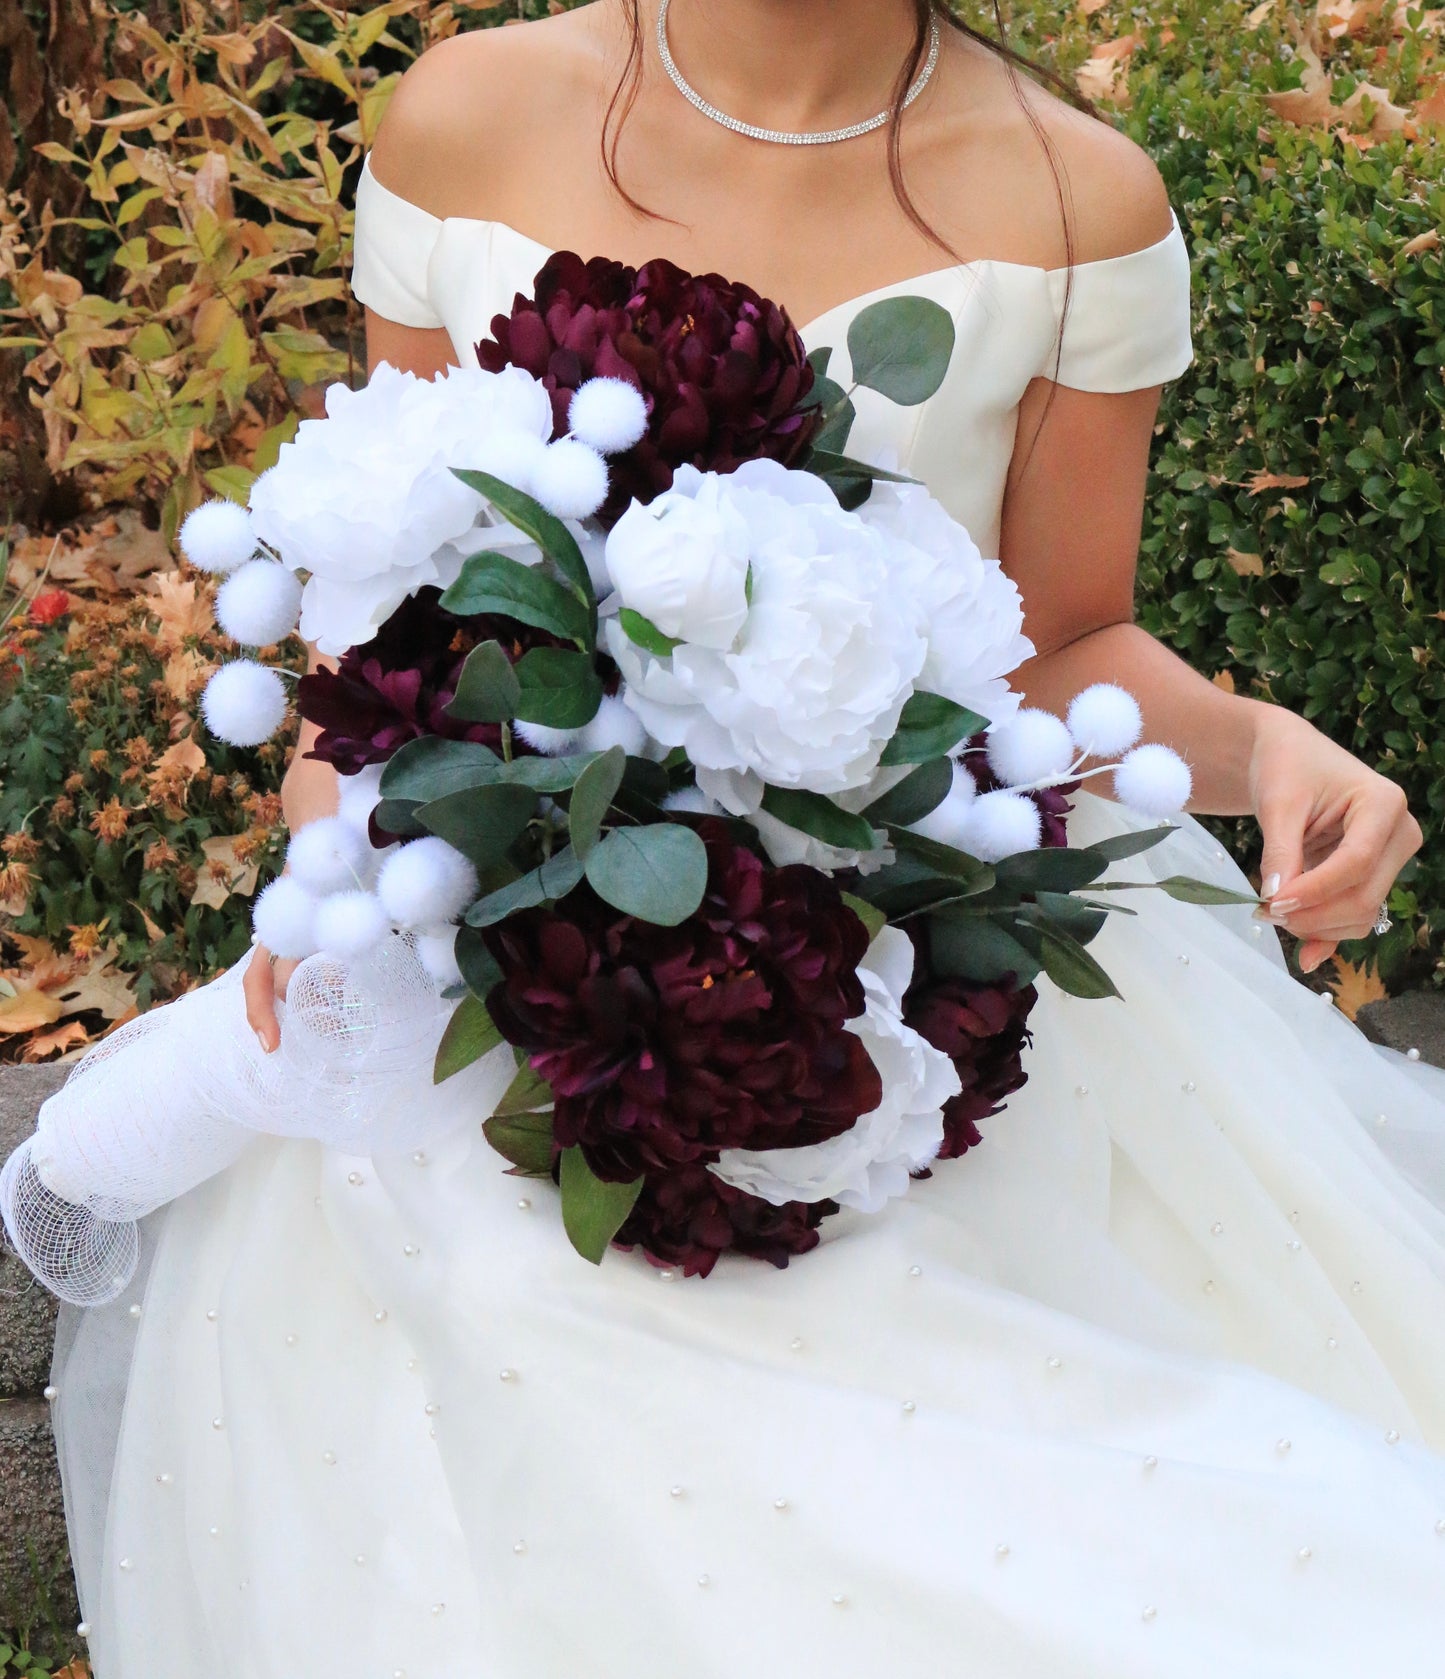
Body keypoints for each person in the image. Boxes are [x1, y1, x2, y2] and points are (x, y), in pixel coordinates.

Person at [42, 3, 1445, 1673]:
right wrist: (333, 874)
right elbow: (386, 626)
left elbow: (1061, 648)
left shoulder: (1080, 196)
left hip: (909, 958)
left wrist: (1270, 744)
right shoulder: (465, 118)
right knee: (511, 1303)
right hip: (524, 942)